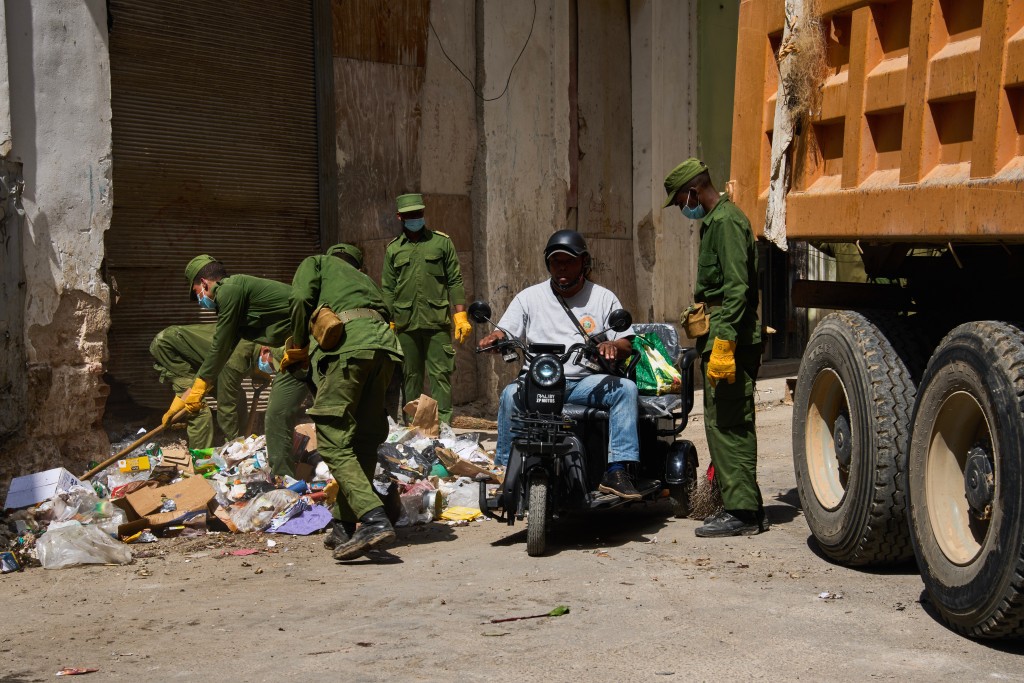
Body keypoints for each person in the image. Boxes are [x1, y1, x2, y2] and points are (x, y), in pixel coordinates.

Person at [477, 230, 643, 500]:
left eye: (569, 261)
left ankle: (617, 470)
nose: (562, 268)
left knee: (625, 389)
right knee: (509, 395)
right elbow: (506, 332)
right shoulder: (529, 298)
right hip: (539, 382)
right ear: (548, 265)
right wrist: (496, 338)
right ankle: (506, 470)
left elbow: (626, 342)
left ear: (583, 263)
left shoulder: (602, 297)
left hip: (583, 382)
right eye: (556, 262)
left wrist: (612, 346)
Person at [663, 158, 768, 537]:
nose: (682, 209)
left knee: (729, 424)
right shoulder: (719, 221)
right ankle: (747, 504)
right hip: (722, 334)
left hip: (730, 338)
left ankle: (742, 513)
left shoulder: (725, 222)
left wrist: (724, 343)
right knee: (725, 422)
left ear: (693, 191)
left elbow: (738, 288)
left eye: (680, 202)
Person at [284, 246, 404, 561]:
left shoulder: (315, 262)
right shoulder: (365, 281)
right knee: (364, 437)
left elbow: (298, 300)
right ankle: (344, 524)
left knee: (332, 435)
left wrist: (297, 346)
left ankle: (374, 519)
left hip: (350, 349)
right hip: (384, 351)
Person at [162, 255, 311, 477]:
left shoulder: (228, 290)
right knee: (276, 412)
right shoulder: (236, 300)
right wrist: (197, 388)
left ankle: (284, 479)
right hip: (304, 342)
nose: (200, 299)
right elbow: (226, 346)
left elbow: (221, 345)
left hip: (310, 339)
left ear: (204, 283)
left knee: (277, 413)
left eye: (197, 293)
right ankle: (284, 477)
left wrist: (200, 387)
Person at [381, 193, 471, 425]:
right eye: (410, 215)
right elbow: (388, 289)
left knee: (440, 375)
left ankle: (444, 427)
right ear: (400, 217)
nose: (415, 218)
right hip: (405, 323)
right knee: (410, 377)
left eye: (419, 213)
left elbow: (455, 280)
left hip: (437, 321)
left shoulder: (441, 242)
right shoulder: (393, 249)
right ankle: (415, 425)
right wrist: (388, 321)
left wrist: (460, 315)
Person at [150, 324, 272, 449]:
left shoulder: (259, 340)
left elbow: (250, 359)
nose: (272, 371)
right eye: (272, 366)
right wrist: (236, 444)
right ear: (265, 350)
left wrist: (258, 371)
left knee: (239, 398)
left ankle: (244, 439)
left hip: (200, 358)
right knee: (197, 409)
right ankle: (201, 461)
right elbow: (226, 408)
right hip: (170, 347)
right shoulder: (235, 362)